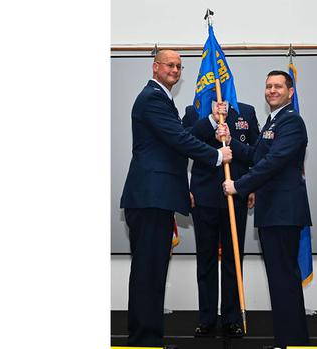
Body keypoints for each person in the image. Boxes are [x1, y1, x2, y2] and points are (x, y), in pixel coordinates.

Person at [120, 49, 233, 348]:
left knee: (153, 273)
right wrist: (216, 155)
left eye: (180, 66)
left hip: (157, 197)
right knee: (148, 273)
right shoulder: (152, 98)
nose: (176, 70)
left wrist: (209, 120)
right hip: (149, 197)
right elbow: (178, 140)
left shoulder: (161, 99)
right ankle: (144, 341)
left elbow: (176, 137)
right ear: (155, 67)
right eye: (170, 65)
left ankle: (149, 338)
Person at [221, 70, 312, 349]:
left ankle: (293, 343)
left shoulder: (292, 122)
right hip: (272, 213)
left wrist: (239, 186)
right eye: (268, 86)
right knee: (279, 280)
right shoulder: (273, 121)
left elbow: (273, 162)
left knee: (284, 280)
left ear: (290, 91)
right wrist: (230, 139)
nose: (272, 90)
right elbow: (255, 155)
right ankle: (286, 341)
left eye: (278, 86)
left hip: (284, 212)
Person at [182, 100, 259, 338]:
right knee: (205, 260)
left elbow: (256, 154)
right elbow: (183, 144)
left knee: (233, 259)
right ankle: (206, 318)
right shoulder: (195, 109)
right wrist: (212, 120)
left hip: (235, 195)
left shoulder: (246, 111)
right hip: (203, 197)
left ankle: (231, 318)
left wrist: (252, 186)